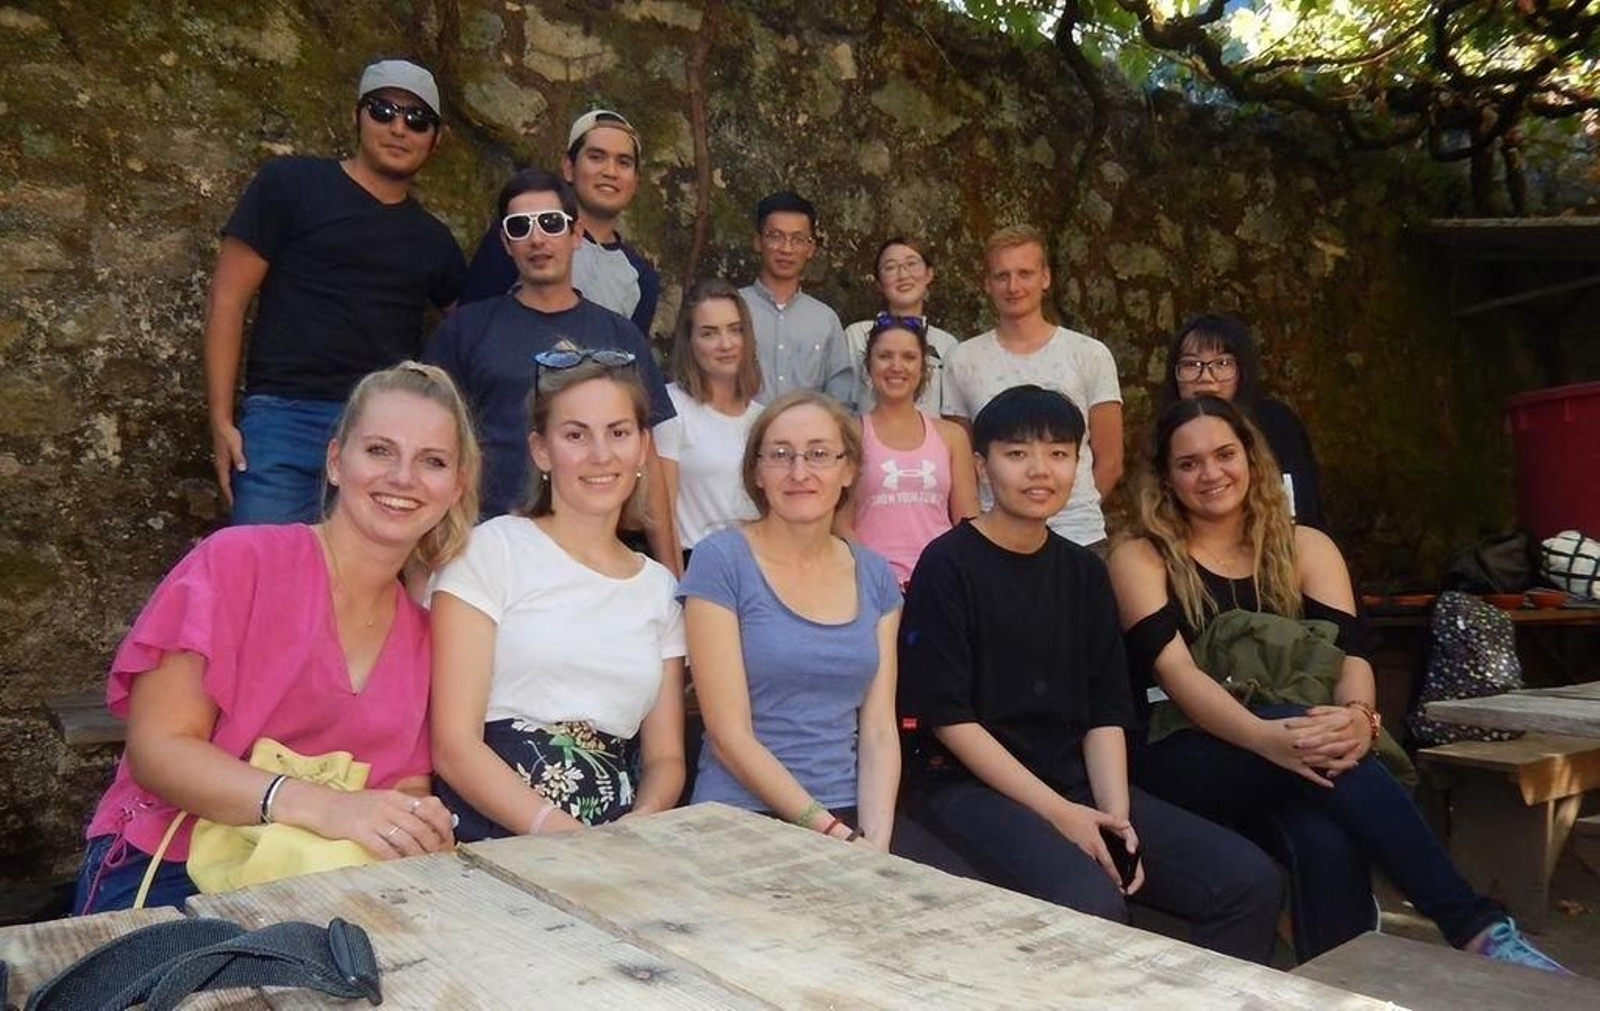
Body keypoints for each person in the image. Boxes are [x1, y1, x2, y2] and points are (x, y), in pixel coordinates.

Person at [1106, 395, 1567, 971]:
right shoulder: (1141, 556)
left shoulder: (1305, 545)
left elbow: (1352, 653)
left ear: (1252, 458)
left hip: (1288, 750)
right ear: (1167, 478)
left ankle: (1338, 982)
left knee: (1324, 833)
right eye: (1189, 463)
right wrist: (1268, 736)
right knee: (1309, 745)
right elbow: (1176, 677)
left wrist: (1358, 717)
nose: (1211, 474)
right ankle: (1472, 924)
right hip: (1179, 748)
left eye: (1224, 454)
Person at [74, 362, 478, 913]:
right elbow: (157, 750)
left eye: (431, 461)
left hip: (315, 885)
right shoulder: (238, 562)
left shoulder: (427, 633)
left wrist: (414, 823)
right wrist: (318, 805)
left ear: (455, 488)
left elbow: (403, 787)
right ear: (336, 461)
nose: (403, 478)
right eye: (380, 450)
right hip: (169, 865)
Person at [897, 386, 1281, 962]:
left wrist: (1115, 820)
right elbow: (951, 720)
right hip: (965, 787)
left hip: (1075, 781)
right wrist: (1063, 817)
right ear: (981, 466)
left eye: (1057, 453)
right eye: (1017, 453)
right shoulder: (948, 565)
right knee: (1092, 902)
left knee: (1248, 882)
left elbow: (1106, 709)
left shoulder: (1083, 572)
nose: (1039, 470)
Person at [681, 391, 958, 866]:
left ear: (849, 470)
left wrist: (877, 842)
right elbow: (729, 736)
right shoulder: (720, 561)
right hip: (740, 815)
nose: (799, 472)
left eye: (818, 454)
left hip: (847, 813)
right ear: (757, 473)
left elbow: (876, 729)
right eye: (781, 455)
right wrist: (834, 836)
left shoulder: (874, 576)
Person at [429, 348, 685, 840]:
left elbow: (667, 756)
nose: (601, 455)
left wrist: (639, 826)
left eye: (619, 432)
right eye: (575, 435)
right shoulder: (490, 551)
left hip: (616, 831)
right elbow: (454, 745)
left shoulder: (659, 589)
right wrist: (560, 835)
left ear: (642, 446)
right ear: (541, 450)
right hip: (495, 826)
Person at [205, 58, 465, 524]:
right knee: (265, 568)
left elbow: (473, 331)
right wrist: (221, 420)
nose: (399, 128)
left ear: (436, 138)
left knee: (361, 583)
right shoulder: (290, 185)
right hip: (285, 418)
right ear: (357, 115)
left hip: (383, 429)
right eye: (383, 111)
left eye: (417, 119)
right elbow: (228, 299)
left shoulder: (434, 241)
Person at [423, 168, 680, 569]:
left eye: (551, 223)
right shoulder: (465, 331)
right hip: (486, 550)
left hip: (594, 553)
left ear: (576, 235)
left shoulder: (620, 336)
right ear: (507, 244)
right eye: (520, 227)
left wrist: (673, 579)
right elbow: (428, 447)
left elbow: (650, 462)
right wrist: (425, 569)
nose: (537, 238)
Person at [942, 225, 1123, 554]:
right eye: (1002, 276)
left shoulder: (1089, 354)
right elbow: (960, 457)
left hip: (1077, 533)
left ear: (1045, 277)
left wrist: (1060, 505)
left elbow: (1110, 458)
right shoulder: (962, 359)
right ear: (987, 283)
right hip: (993, 536)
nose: (1013, 286)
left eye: (1025, 273)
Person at [457, 110, 660, 336]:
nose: (610, 171)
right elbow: (467, 327)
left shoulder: (641, 277)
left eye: (623, 162)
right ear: (569, 168)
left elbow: (632, 361)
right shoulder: (523, 232)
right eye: (596, 157)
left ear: (636, 181)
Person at [838, 315, 979, 585]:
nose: (896, 366)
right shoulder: (849, 434)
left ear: (923, 367)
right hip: (871, 583)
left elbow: (967, 520)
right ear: (868, 365)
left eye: (909, 357)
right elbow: (840, 520)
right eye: (885, 356)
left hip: (941, 581)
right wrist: (874, 574)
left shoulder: (951, 436)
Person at [1161, 314, 1324, 529]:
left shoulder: (1277, 423)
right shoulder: (1163, 432)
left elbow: (1302, 507)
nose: (1207, 377)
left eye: (1222, 363)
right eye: (1191, 364)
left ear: (1242, 371)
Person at [655, 280, 764, 564]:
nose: (726, 344)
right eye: (709, 333)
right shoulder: (672, 408)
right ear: (689, 341)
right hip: (697, 562)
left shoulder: (763, 418)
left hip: (759, 566)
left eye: (735, 330)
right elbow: (660, 513)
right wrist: (676, 584)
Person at [740, 192, 855, 405]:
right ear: (757, 241)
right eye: (775, 236)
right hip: (739, 436)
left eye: (798, 239)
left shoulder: (825, 320)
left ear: (811, 248)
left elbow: (840, 401)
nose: (786, 248)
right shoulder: (732, 308)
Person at [842, 238, 960, 415]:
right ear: (879, 283)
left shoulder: (946, 344)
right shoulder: (857, 335)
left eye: (912, 264)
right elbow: (843, 404)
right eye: (890, 267)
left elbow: (952, 413)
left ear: (929, 274)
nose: (903, 275)